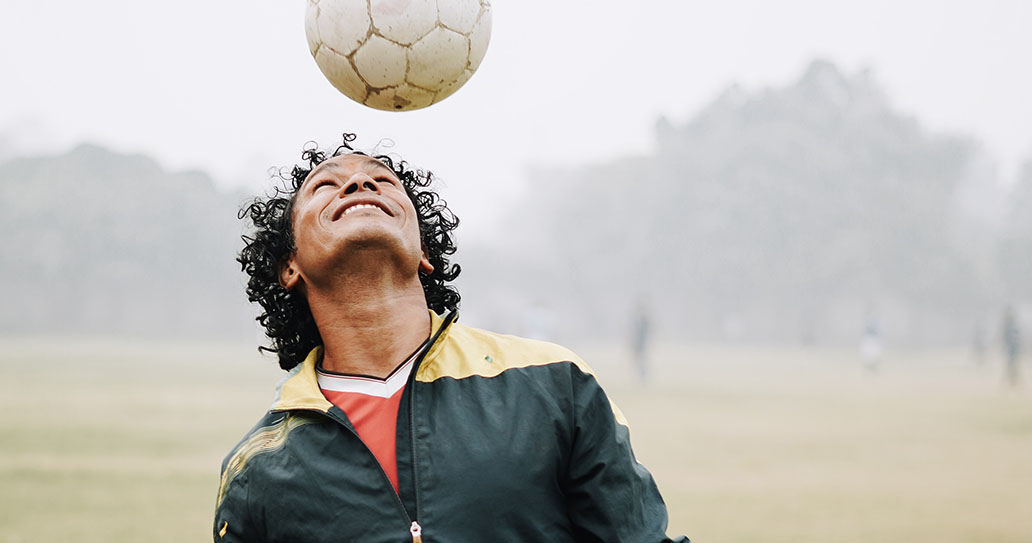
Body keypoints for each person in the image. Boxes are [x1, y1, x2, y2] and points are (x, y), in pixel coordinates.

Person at [215, 134, 689, 542]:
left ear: (424, 252)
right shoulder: (258, 469)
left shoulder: (552, 383)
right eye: (325, 184)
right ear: (288, 266)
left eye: (383, 182)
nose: (360, 184)